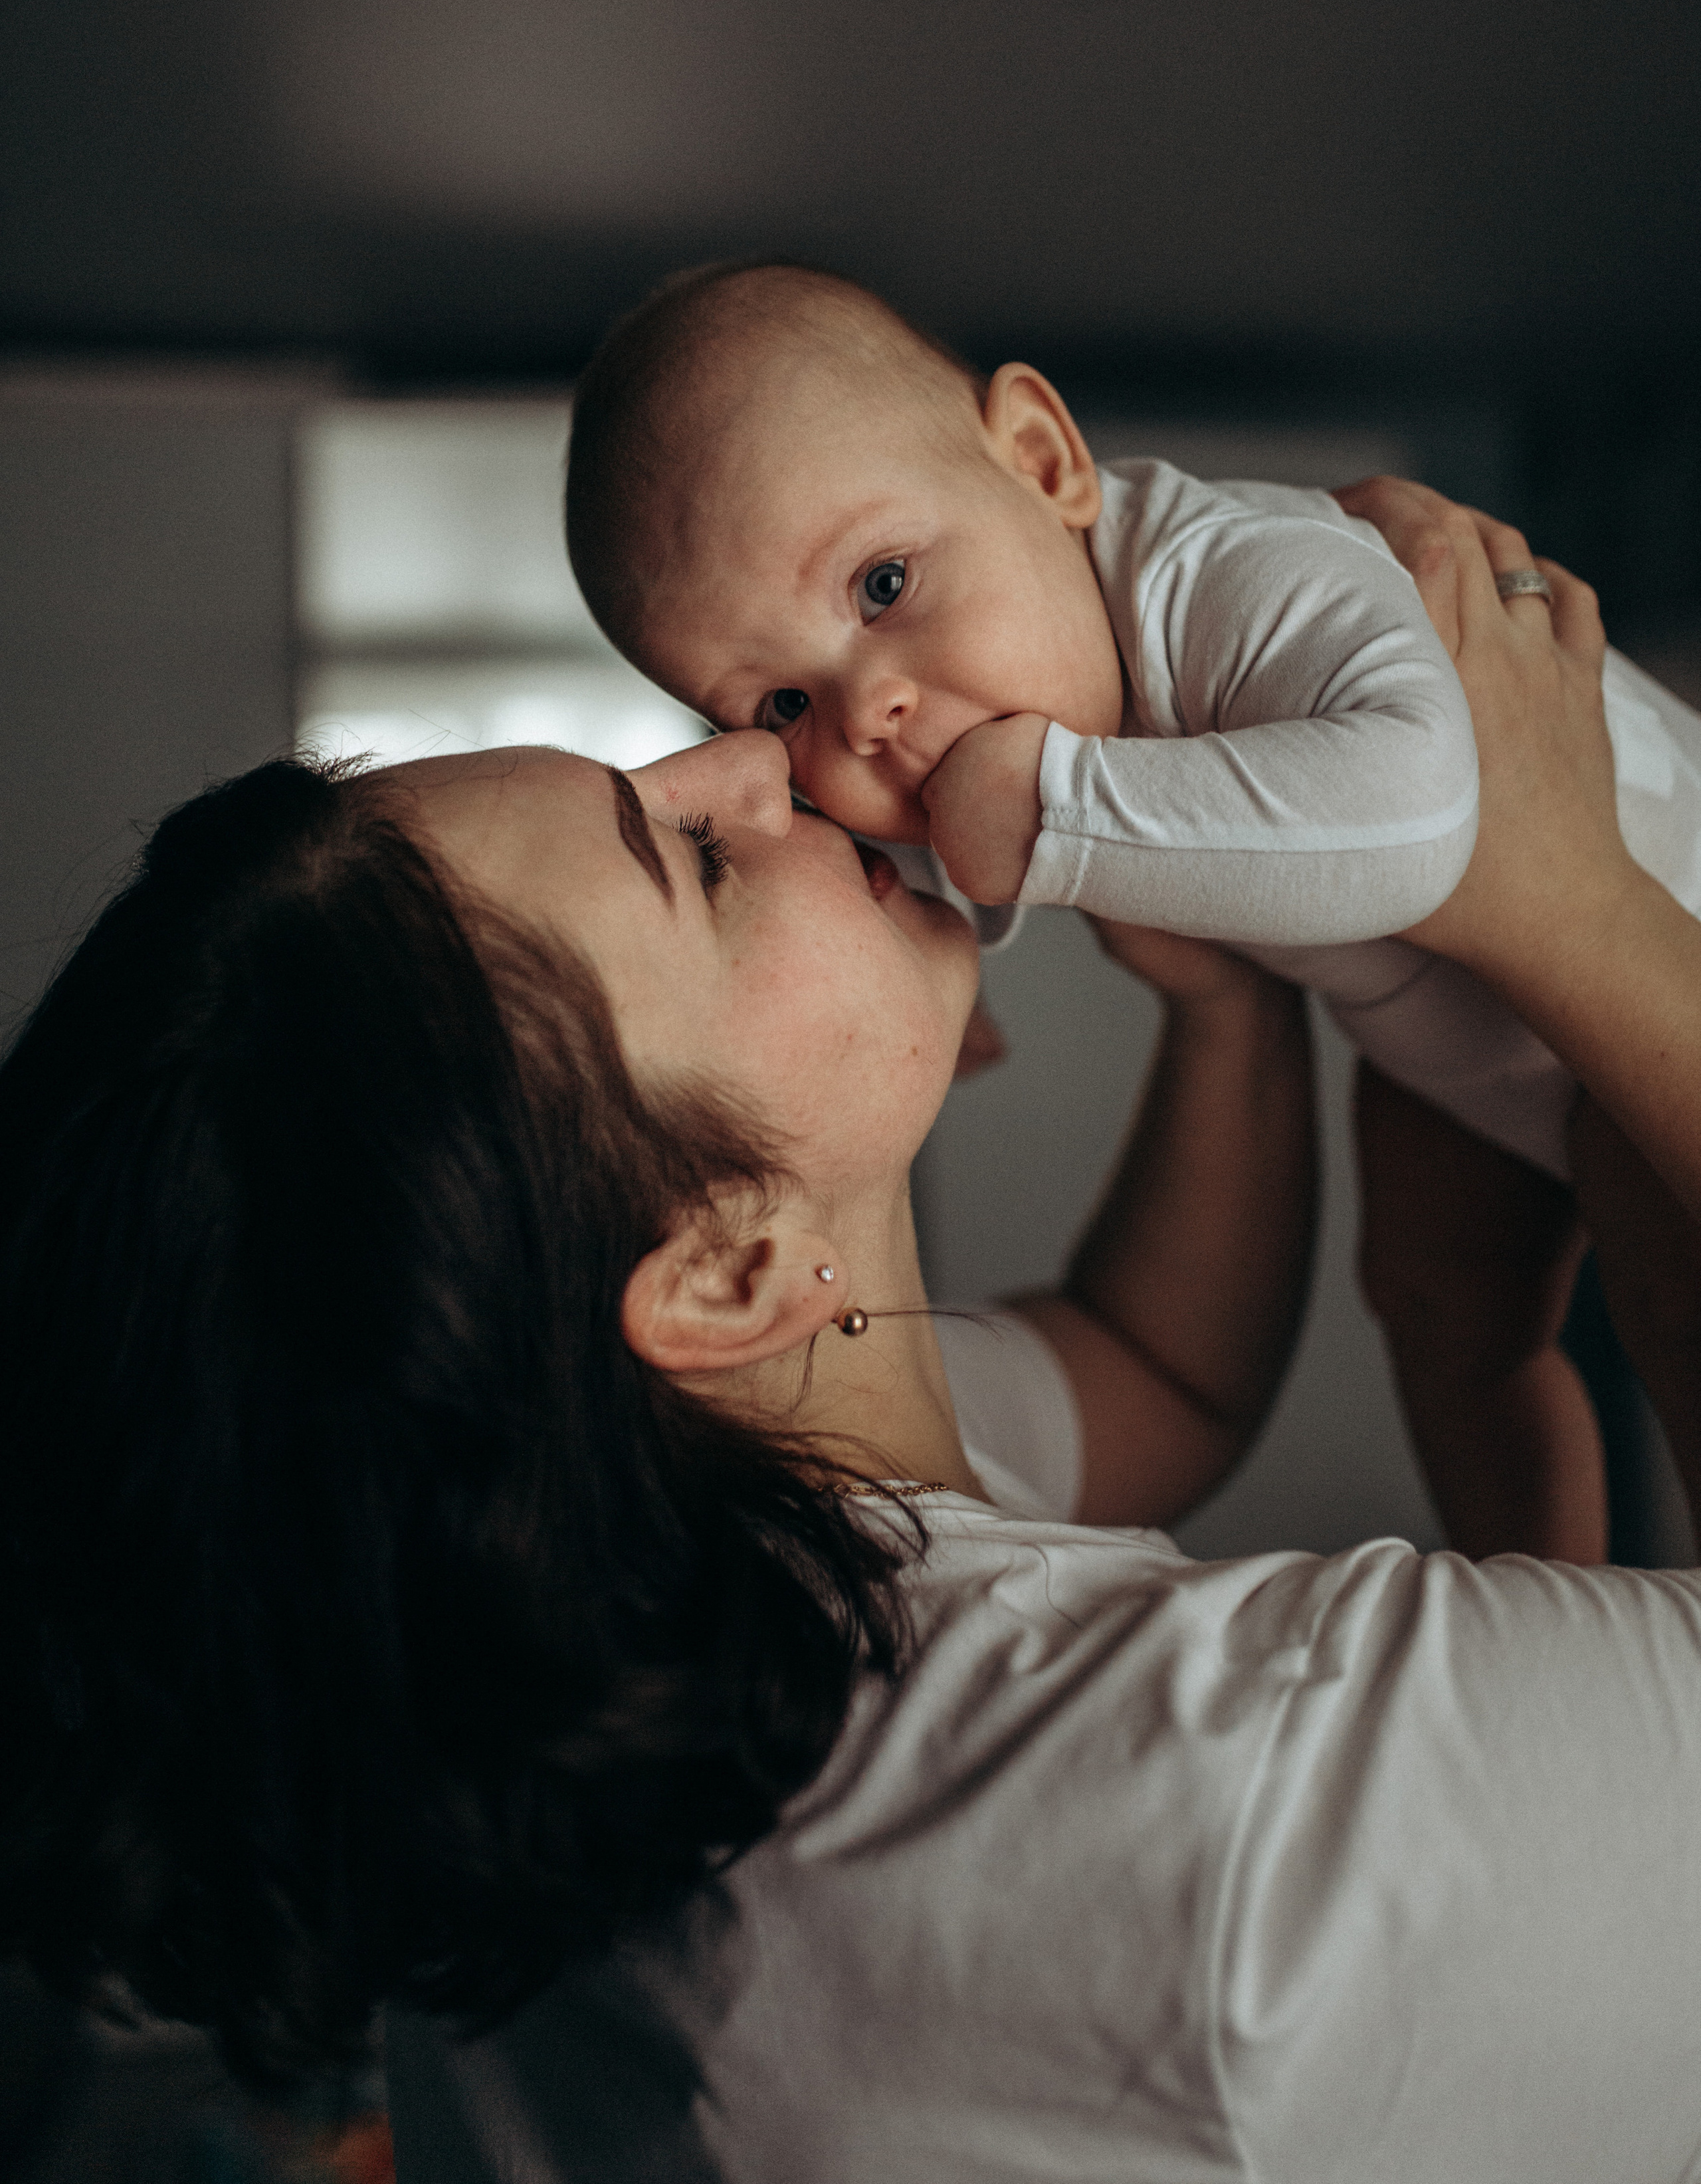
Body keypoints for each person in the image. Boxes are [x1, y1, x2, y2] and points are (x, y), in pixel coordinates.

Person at [5, 485, 1701, 2184]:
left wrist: (1223, 1006)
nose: (763, 761)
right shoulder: (1220, 1824)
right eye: (693, 854)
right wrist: (1575, 911)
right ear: (728, 1272)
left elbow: (1154, 1368)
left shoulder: (613, 1639)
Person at [564, 261, 1701, 1563]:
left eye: (881, 586)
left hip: (1652, 926)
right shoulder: (975, 697)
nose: (865, 713)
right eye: (778, 709)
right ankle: (1552, 1595)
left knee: (1670, 1296)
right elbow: (949, 843)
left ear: (1043, 461)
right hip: (1455, 1034)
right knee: (1443, 1313)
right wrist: (937, 939)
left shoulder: (1226, 575)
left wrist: (1059, 809)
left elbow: (1421, 816)